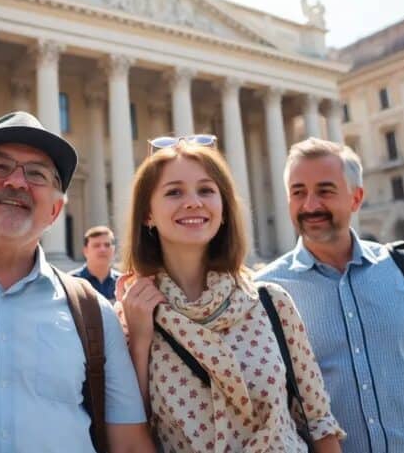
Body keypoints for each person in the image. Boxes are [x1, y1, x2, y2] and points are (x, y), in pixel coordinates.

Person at [0, 111, 154, 453]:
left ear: (55, 212)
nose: (17, 182)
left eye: (37, 174)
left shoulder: (93, 315)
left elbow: (130, 445)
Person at [116, 136, 344, 452]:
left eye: (207, 190)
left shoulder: (271, 302)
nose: (193, 202)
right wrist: (140, 340)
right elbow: (129, 432)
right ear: (147, 215)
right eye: (174, 192)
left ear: (223, 210)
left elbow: (319, 422)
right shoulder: (131, 314)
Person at [256, 137, 404, 453]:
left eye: (325, 191)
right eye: (298, 192)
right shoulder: (264, 292)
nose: (310, 205)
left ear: (356, 198)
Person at [71, 225, 121, 300]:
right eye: (96, 245)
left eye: (107, 245)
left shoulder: (122, 283)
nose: (103, 249)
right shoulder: (71, 282)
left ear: (113, 250)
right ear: (85, 251)